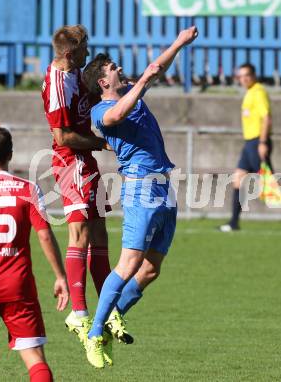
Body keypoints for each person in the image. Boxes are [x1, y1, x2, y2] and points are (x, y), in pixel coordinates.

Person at [82, 26, 198, 368]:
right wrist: (143, 82)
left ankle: (114, 314)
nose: (119, 69)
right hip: (140, 189)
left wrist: (177, 43)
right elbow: (116, 116)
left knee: (150, 270)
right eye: (113, 68)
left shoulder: (132, 89)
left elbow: (155, 70)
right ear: (103, 82)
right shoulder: (100, 112)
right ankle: (94, 333)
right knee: (129, 263)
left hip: (164, 186)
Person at [41, 25, 123, 359]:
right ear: (71, 52)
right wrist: (101, 143)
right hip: (70, 161)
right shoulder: (59, 86)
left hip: (85, 160)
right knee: (80, 235)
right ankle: (79, 312)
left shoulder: (75, 72)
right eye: (85, 48)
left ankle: (106, 308)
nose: (89, 52)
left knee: (100, 232)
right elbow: (62, 137)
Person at [0, 126, 69, 382]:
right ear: (10, 154)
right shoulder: (28, 189)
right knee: (34, 357)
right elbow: (45, 235)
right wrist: (60, 276)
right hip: (18, 284)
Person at [219, 63, 273, 232]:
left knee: (271, 184)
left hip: (258, 142)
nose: (243, 79)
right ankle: (234, 223)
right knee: (238, 180)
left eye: (246, 75)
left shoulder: (258, 92)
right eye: (240, 76)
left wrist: (263, 143)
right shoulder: (250, 92)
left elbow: (267, 118)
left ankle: (234, 222)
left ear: (253, 75)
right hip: (249, 143)